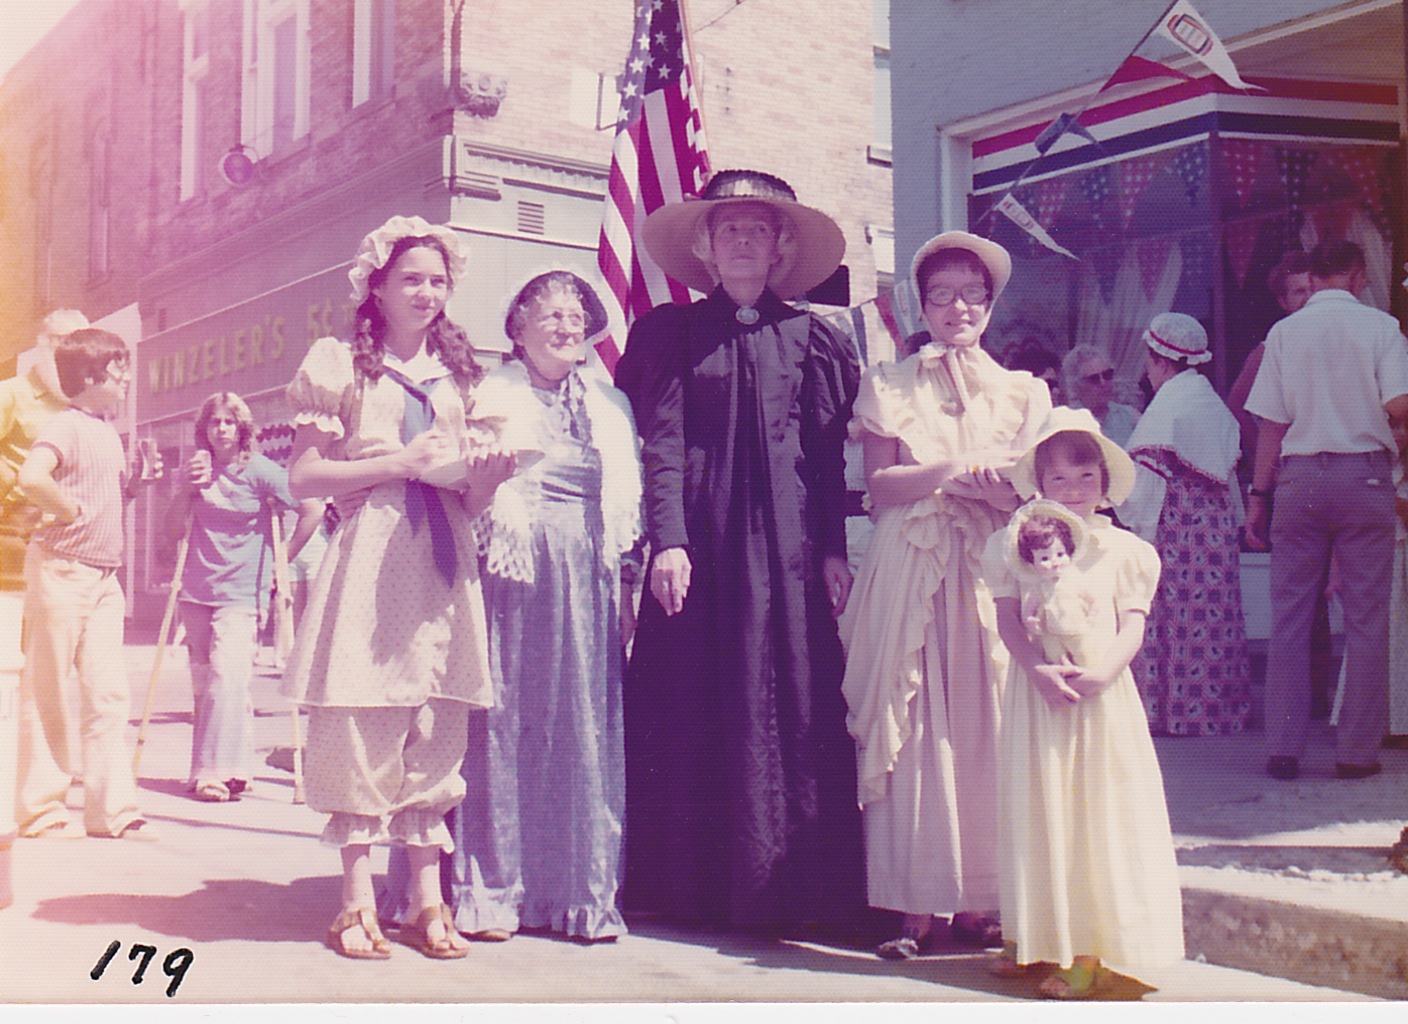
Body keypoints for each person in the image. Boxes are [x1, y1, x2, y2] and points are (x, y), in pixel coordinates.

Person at [613, 169, 864, 935]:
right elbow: (661, 443)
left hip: (788, 548)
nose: (745, 240)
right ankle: (685, 888)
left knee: (789, 695)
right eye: (729, 230)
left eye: (759, 229)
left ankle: (790, 888)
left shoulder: (817, 336)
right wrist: (669, 540)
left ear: (782, 246)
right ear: (707, 248)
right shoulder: (671, 333)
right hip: (702, 544)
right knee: (691, 695)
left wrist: (831, 549)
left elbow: (825, 457)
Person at [382, 270, 643, 944]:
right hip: (508, 576)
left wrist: (623, 589)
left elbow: (621, 513)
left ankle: (573, 893)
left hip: (584, 580)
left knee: (578, 724)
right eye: (550, 315)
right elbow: (454, 490)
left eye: (576, 315)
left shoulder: (611, 405)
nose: (566, 326)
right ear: (519, 330)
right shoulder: (486, 396)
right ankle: (488, 890)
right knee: (501, 721)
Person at [282, 215, 513, 960]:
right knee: (360, 716)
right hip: (373, 555)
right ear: (375, 286)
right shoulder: (341, 364)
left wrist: (486, 479)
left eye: (438, 280)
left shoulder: (461, 376)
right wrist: (396, 465)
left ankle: (426, 900)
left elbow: (468, 500)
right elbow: (305, 477)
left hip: (445, 562)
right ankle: (353, 902)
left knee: (436, 720)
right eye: (410, 277)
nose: (426, 291)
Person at [840, 231, 1051, 959]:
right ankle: (917, 904)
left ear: (989, 306)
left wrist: (999, 488)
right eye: (941, 295)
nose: (957, 307)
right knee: (918, 719)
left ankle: (985, 901)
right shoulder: (890, 383)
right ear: (921, 304)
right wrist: (948, 471)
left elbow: (1038, 487)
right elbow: (880, 485)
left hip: (989, 564)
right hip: (916, 564)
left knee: (989, 717)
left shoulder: (1024, 391)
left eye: (971, 294)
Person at [983, 408, 1183, 999]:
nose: (1073, 493)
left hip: (1099, 702)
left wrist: (1100, 674)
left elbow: (1132, 627)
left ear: (1105, 481)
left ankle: (1090, 949)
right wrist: (1038, 668)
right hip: (1038, 696)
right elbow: (1006, 621)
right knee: (1039, 809)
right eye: (1058, 482)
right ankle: (1036, 934)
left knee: (1093, 815)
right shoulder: (1013, 546)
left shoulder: (1125, 551)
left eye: (1085, 479)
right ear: (1039, 486)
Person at [1246, 241, 1408, 781]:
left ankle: (1284, 749)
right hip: (1363, 476)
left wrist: (1258, 497)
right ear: (1358, 275)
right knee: (1365, 621)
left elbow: (1271, 424)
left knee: (1290, 619)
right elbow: (1399, 407)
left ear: (1313, 279)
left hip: (1299, 480)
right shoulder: (1382, 329)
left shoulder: (1285, 334)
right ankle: (1356, 753)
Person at [16, 328, 163, 840]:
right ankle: (42, 809)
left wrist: (136, 486)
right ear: (88, 376)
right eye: (118, 367)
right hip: (60, 570)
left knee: (108, 695)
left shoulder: (106, 433)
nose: (126, 376)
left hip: (103, 580)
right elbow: (32, 477)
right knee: (48, 691)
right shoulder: (68, 425)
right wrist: (64, 507)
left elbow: (105, 504)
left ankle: (113, 810)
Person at [166, 392, 323, 803]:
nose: (221, 429)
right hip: (197, 591)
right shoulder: (197, 470)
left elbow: (313, 509)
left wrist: (282, 560)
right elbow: (171, 533)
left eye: (229, 422)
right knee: (208, 685)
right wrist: (184, 490)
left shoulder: (261, 471)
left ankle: (212, 774)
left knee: (226, 677)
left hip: (242, 593)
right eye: (214, 422)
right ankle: (230, 769)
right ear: (205, 429)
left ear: (242, 429)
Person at [1120, 313, 1252, 736]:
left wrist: (1130, 522)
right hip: (1212, 529)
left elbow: (1144, 483)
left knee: (1174, 612)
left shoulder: (1169, 405)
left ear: (1160, 360)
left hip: (1177, 529)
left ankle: (1172, 712)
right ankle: (1214, 710)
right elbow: (1227, 475)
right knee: (1211, 614)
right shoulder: (1208, 400)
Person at [0, 310, 85, 903]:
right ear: (40, 344)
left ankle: (39, 806)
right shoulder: (11, 396)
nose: (67, 354)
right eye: (59, 342)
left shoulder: (79, 413)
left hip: (53, 566)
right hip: (5, 564)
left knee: (44, 688)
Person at [1228, 251, 1313, 465]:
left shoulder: (1337, 341)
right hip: (1295, 464)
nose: (1309, 298)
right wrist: (1269, 460)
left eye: (1313, 289)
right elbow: (1236, 404)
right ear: (1283, 302)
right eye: (1300, 291)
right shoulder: (1270, 348)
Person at [1015, 504, 1096, 667]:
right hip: (1050, 633)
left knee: (1086, 657)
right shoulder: (1038, 588)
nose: (1054, 562)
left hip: (1076, 629)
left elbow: (1092, 600)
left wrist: (1091, 617)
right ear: (1032, 563)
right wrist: (1030, 620)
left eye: (1060, 554)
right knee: (1055, 659)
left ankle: (1085, 674)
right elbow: (1028, 610)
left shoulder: (1074, 580)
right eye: (1044, 558)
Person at [1062, 344, 1140, 448]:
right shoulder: (1069, 423)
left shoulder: (1131, 417)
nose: (1103, 383)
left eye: (1107, 375)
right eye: (1094, 379)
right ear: (1076, 385)